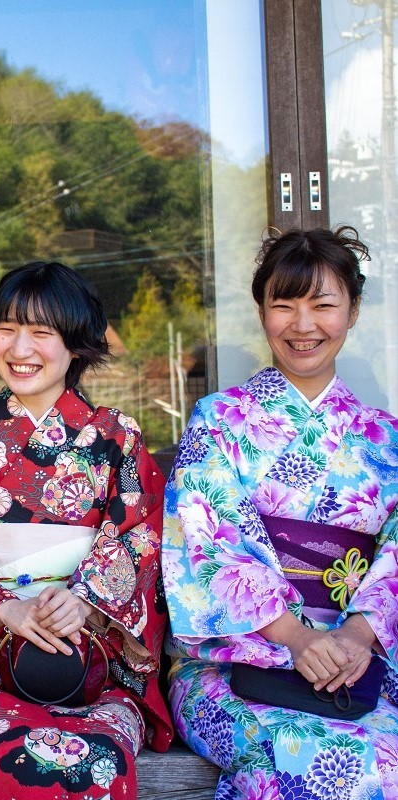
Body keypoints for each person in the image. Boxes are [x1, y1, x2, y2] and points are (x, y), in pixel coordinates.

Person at [0, 261, 173, 800]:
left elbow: (141, 535)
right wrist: (5, 608)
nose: (19, 347)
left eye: (41, 333)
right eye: (7, 329)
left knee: (98, 753)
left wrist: (86, 603)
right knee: (7, 747)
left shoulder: (116, 437)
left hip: (91, 660)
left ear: (76, 345)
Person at [163, 225, 398, 799]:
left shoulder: (386, 439)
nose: (303, 325)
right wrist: (294, 637)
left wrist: (358, 635)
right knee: (314, 761)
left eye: (323, 305)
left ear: (353, 310)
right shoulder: (220, 421)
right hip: (237, 664)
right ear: (262, 310)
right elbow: (205, 536)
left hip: (358, 662)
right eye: (284, 305)